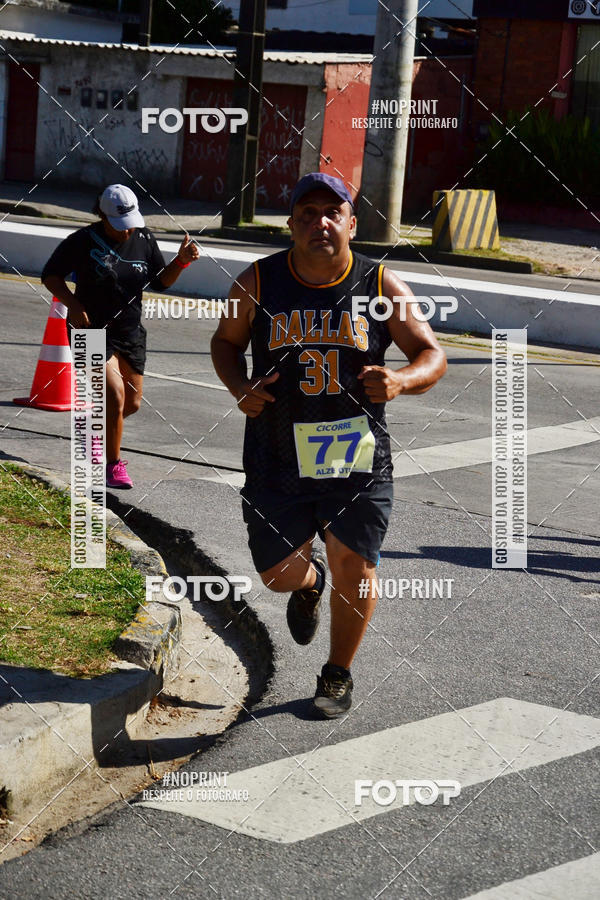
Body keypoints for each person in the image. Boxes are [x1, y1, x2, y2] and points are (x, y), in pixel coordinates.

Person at [211, 172, 447, 718]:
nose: (320, 222)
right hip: (275, 451)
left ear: (351, 222)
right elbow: (226, 342)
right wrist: (239, 387)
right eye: (308, 212)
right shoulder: (257, 283)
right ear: (291, 224)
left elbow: (431, 354)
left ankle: (337, 674)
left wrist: (401, 381)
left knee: (355, 564)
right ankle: (308, 582)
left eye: (332, 212)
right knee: (278, 575)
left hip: (354, 450)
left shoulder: (382, 286)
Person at [42, 184, 200, 488]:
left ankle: (96, 435)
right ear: (103, 215)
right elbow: (50, 276)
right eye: (119, 227)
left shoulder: (143, 238)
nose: (127, 232)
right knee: (114, 396)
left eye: (130, 225)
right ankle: (111, 467)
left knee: (131, 403)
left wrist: (181, 261)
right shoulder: (82, 241)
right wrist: (72, 305)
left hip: (129, 331)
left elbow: (160, 282)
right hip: (88, 330)